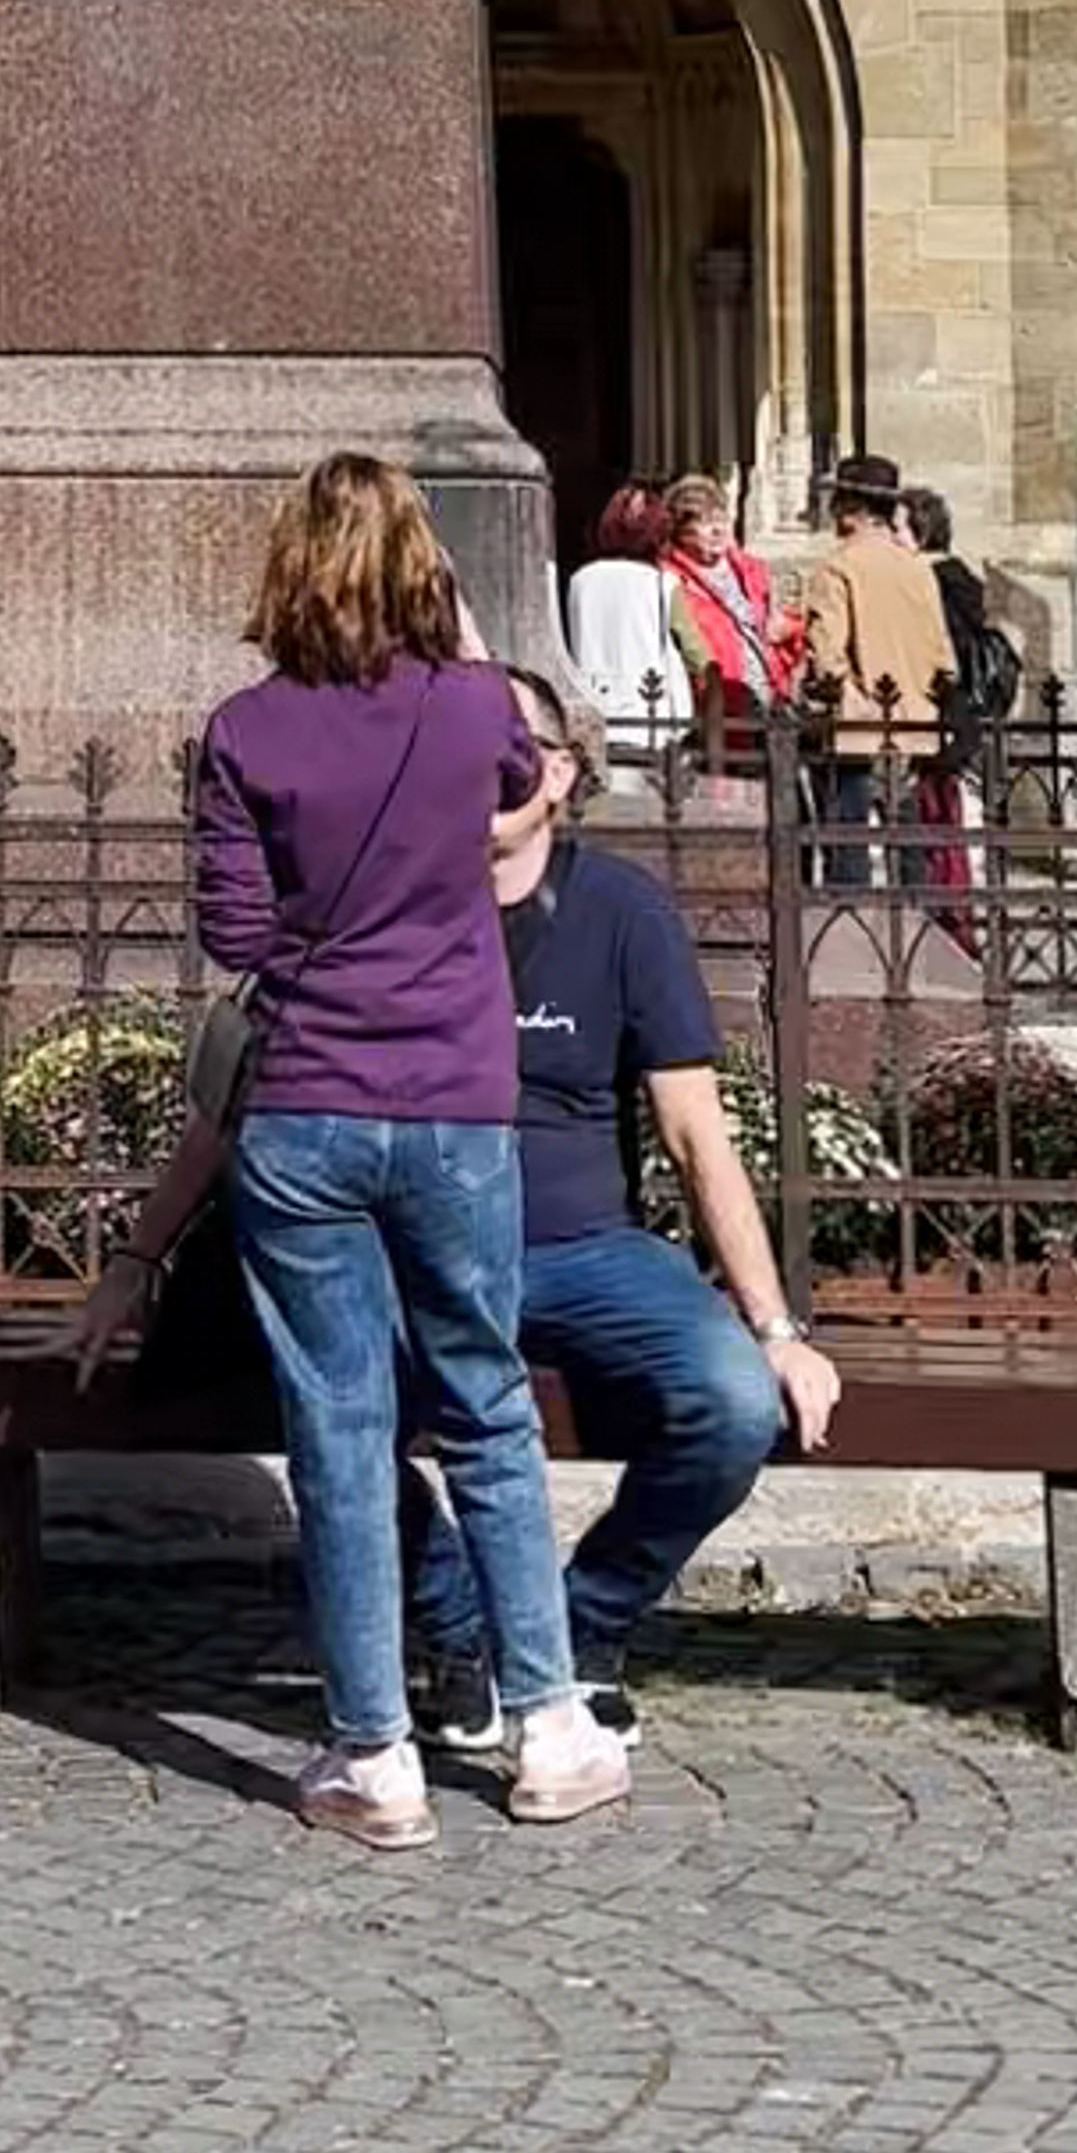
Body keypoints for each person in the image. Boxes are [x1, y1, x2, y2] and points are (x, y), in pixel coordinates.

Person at [195, 451, 634, 1847]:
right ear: (422, 568)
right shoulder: (467, 709)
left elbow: (233, 933)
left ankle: (373, 1749)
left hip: (309, 1101)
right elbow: (516, 772)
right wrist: (452, 630)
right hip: (451, 1098)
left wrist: (326, 935)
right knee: (487, 1401)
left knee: (340, 1424)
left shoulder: (243, 729)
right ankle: (551, 1721)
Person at [402, 677, 841, 1739]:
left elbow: (696, 1132)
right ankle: (461, 1628)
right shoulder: (395, 908)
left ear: (559, 773)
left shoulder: (622, 911)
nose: (484, 767)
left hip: (588, 1249)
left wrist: (775, 1327)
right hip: (423, 1250)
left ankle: (575, 1623)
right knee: (328, 1396)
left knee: (734, 1401)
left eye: (513, 747)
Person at [788, 452, 958, 903]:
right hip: (913, 723)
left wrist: (828, 691)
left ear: (848, 508)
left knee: (849, 843)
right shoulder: (918, 568)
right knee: (908, 842)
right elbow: (943, 657)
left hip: (858, 725)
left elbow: (826, 656)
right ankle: (918, 933)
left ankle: (856, 933)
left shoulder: (838, 567)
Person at [898, 480, 1017, 943]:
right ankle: (954, 918)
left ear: (920, 533)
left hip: (937, 714)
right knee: (944, 819)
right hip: (958, 717)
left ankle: (945, 924)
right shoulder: (961, 579)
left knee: (933, 821)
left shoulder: (927, 580)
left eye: (899, 528)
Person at [654, 470, 803, 782]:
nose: (718, 528)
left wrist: (788, 627)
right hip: (717, 713)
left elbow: (787, 627)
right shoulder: (668, 580)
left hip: (768, 701)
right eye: (705, 521)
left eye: (721, 517)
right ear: (681, 532)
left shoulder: (753, 570)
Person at [562, 483, 678, 756]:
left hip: (594, 708)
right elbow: (694, 648)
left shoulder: (581, 580)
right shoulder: (662, 583)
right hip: (649, 716)